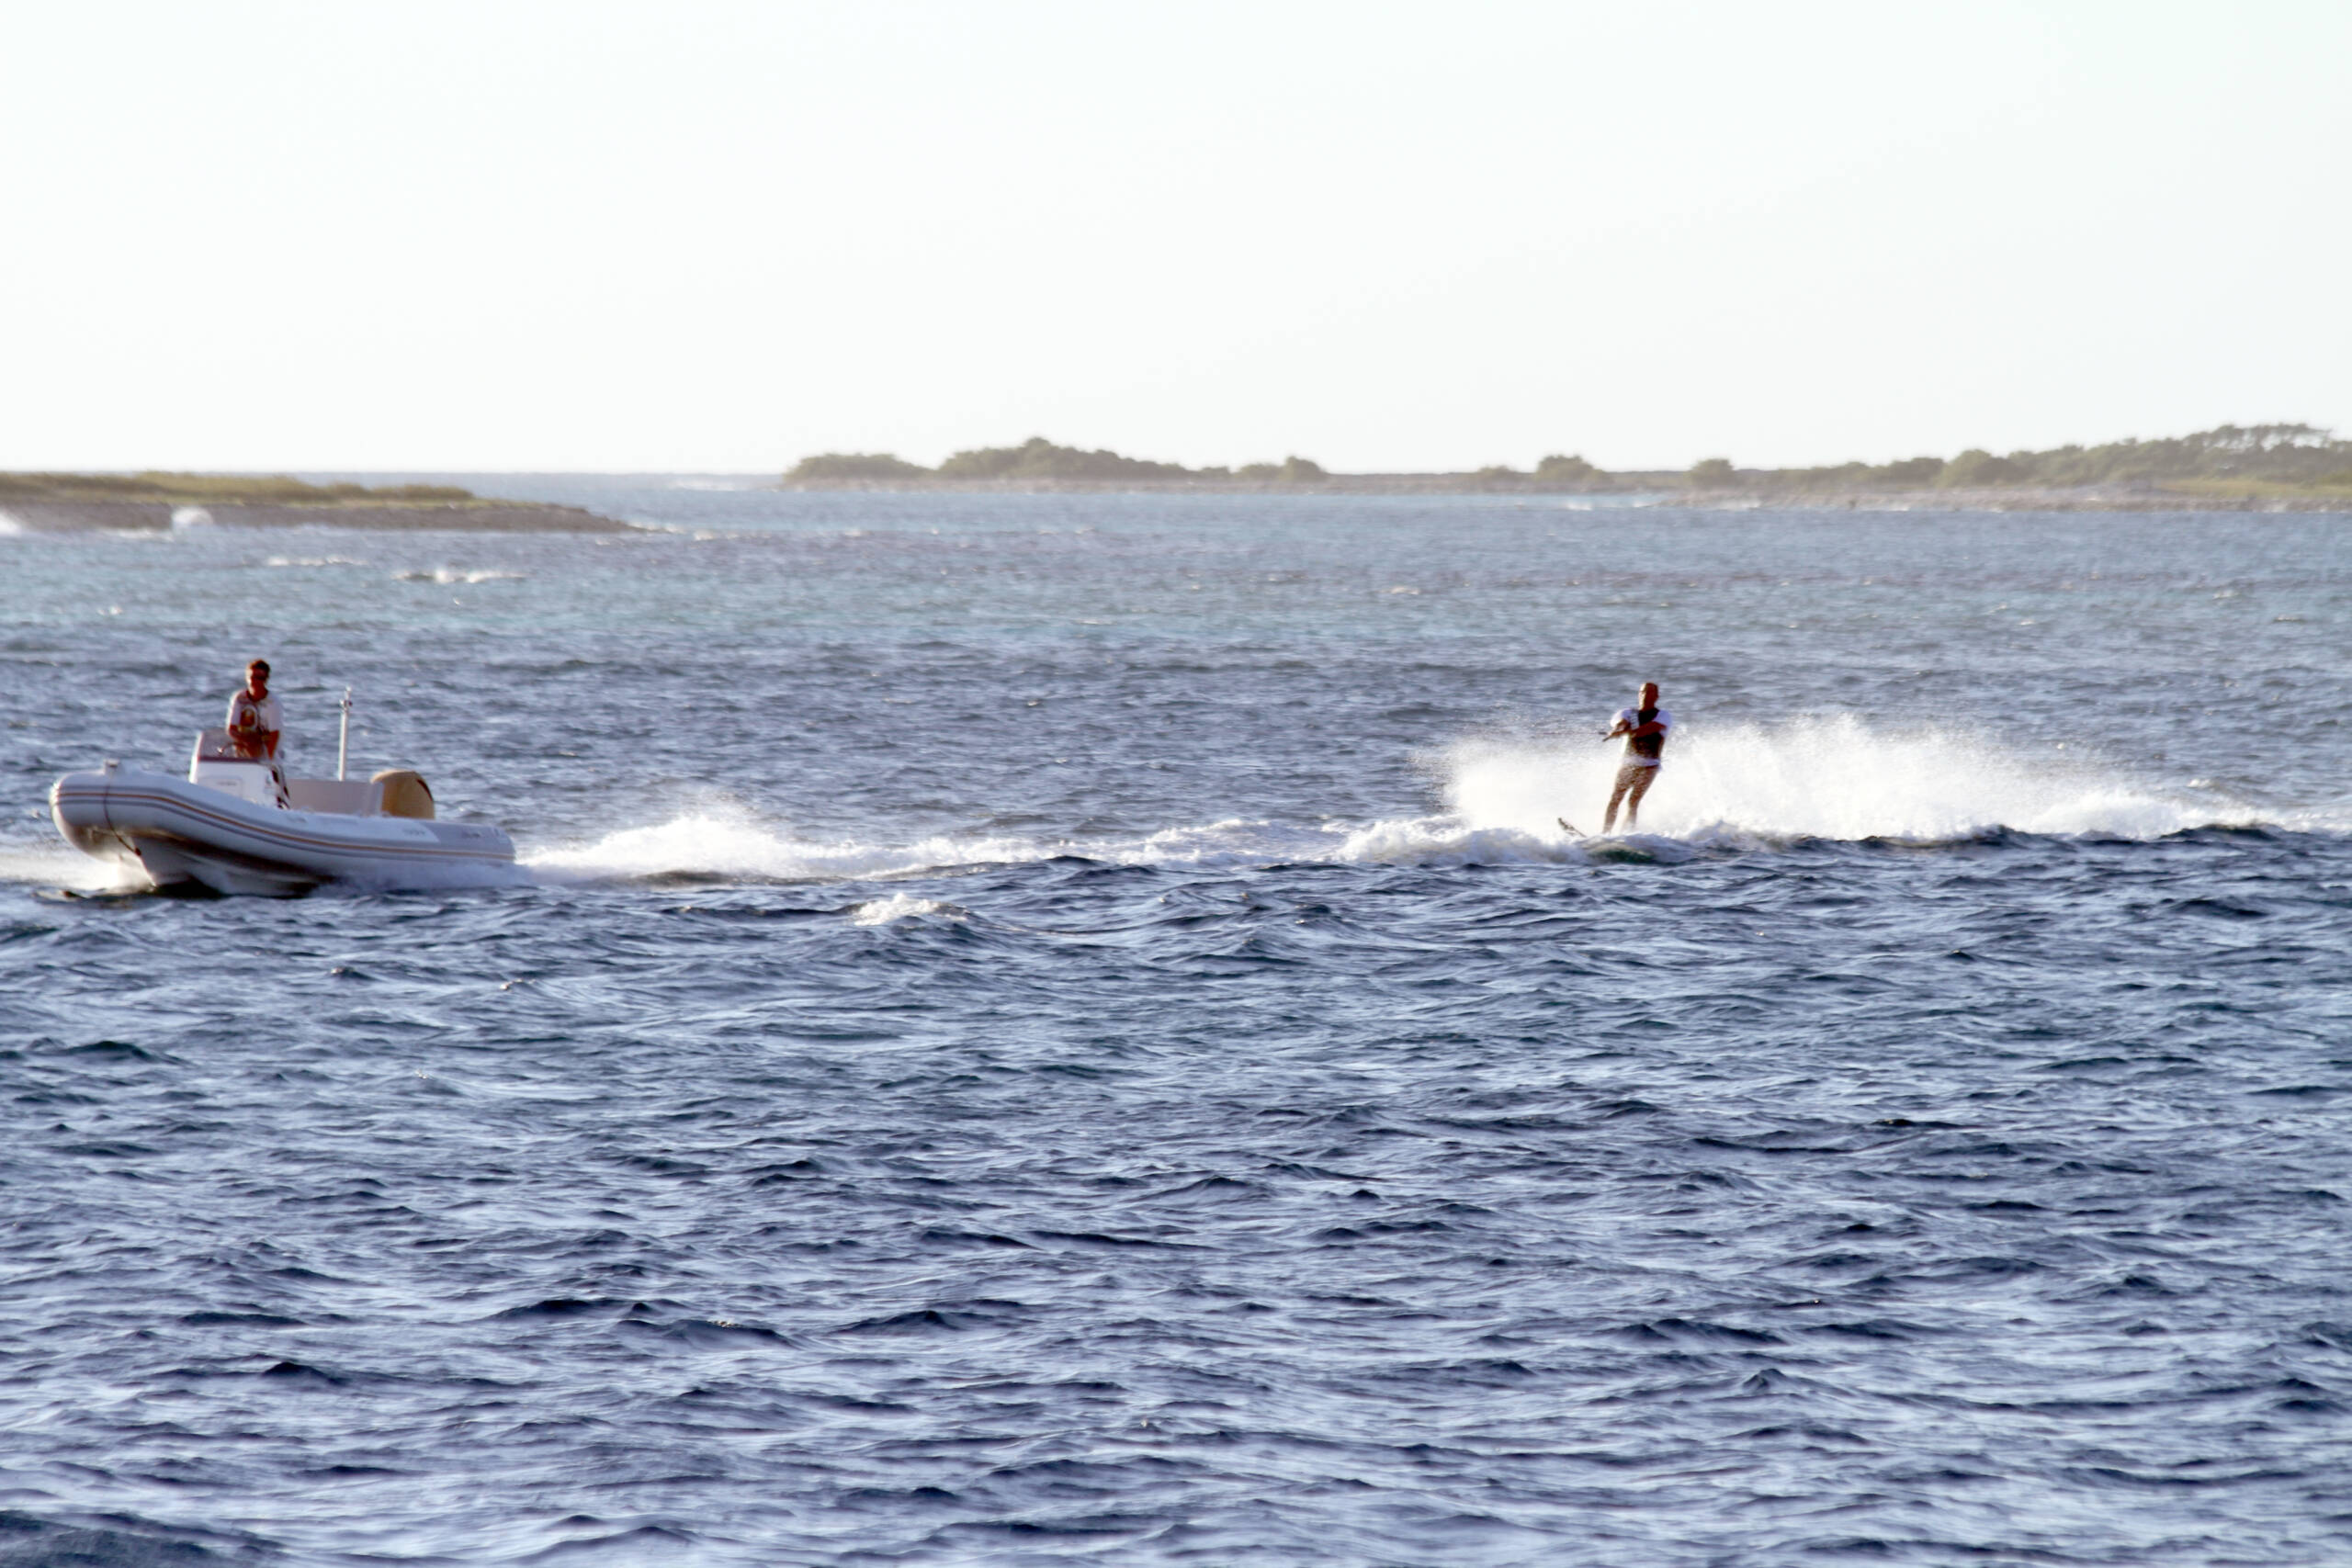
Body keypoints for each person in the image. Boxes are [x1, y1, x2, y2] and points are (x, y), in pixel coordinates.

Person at [1601, 681, 1671, 832]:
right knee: (1616, 798)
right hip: (1628, 763)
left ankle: (1627, 833)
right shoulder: (1627, 713)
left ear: (1657, 696)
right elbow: (1621, 723)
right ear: (1639, 694)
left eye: (1650, 692)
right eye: (1643, 691)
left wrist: (1623, 732)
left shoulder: (1663, 715)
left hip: (1649, 765)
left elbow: (1646, 730)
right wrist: (1616, 730)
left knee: (1633, 800)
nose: (1646, 695)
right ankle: (1605, 833)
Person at [225, 660, 283, 761]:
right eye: (253, 677)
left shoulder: (273, 702)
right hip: (242, 750)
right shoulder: (239, 698)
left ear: (266, 680)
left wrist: (268, 761)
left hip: (267, 752)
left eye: (260, 678)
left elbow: (274, 735)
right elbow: (231, 729)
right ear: (247, 678)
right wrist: (247, 741)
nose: (256, 681)